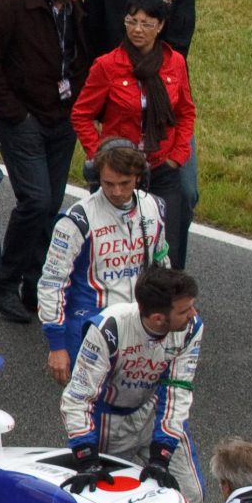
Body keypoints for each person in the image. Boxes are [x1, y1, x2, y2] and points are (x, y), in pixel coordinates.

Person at [0, 0, 95, 325]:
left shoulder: (72, 6)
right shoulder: (11, 4)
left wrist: (77, 100)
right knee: (36, 200)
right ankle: (5, 281)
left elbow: (79, 53)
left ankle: (34, 282)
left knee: (51, 203)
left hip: (62, 118)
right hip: (23, 120)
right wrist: (15, 112)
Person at [61, 265, 203, 503]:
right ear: (158, 318)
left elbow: (177, 390)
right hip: (109, 422)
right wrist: (87, 458)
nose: (193, 313)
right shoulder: (108, 329)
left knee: (191, 495)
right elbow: (78, 397)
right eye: (185, 310)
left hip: (152, 413)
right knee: (99, 499)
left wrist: (162, 454)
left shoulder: (191, 328)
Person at [74, 0, 196, 265]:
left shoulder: (175, 62)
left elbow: (185, 112)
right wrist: (100, 155)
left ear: (160, 26)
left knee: (165, 248)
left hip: (162, 166)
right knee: (114, 248)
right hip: (119, 169)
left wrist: (177, 156)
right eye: (132, 21)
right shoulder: (107, 65)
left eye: (146, 23)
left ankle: (166, 291)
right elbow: (81, 114)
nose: (138, 29)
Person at [38, 140, 169, 384]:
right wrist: (56, 344)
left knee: (136, 401)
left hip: (139, 325)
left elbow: (162, 265)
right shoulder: (76, 220)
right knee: (86, 404)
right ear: (96, 177)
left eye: (124, 183)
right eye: (109, 184)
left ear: (139, 178)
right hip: (90, 328)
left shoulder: (154, 208)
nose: (117, 192)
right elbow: (52, 282)